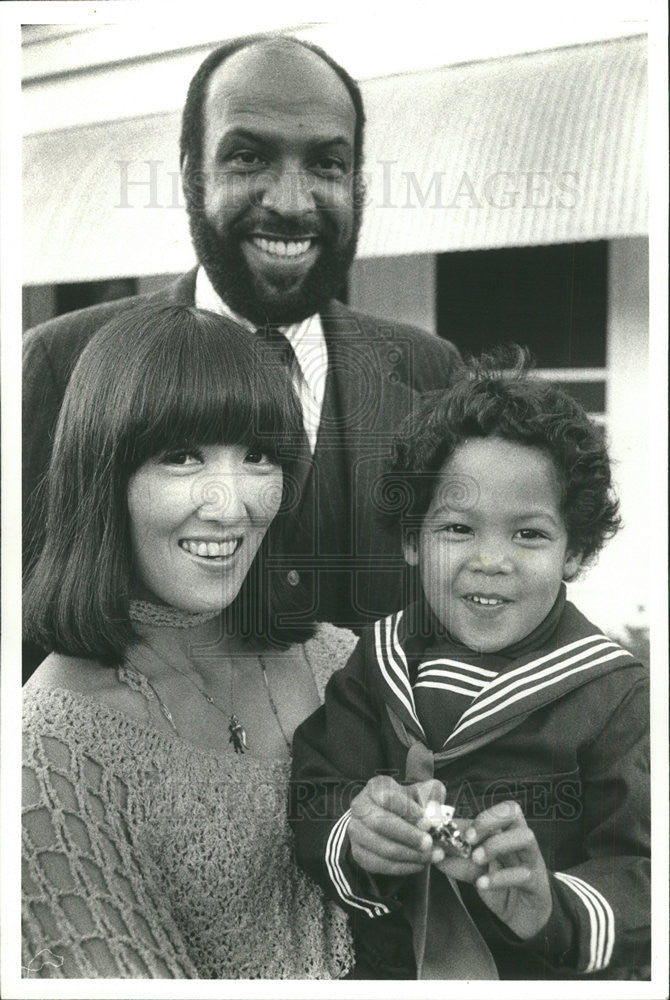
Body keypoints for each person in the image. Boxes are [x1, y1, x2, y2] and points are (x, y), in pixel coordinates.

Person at [23, 34, 463, 680]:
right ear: (190, 174)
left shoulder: (430, 375)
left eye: (327, 165)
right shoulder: (59, 367)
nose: (291, 202)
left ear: (358, 185)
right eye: (248, 157)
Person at [290, 349, 650, 980]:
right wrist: (356, 832)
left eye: (529, 534)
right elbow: (316, 790)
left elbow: (642, 870)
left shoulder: (615, 696)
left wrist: (551, 907)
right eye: (457, 529)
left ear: (576, 550)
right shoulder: (375, 663)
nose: (491, 560)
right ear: (410, 539)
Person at [22, 304, 356, 979]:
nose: (231, 506)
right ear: (104, 475)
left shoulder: (344, 663)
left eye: (258, 456)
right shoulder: (46, 748)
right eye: (181, 457)